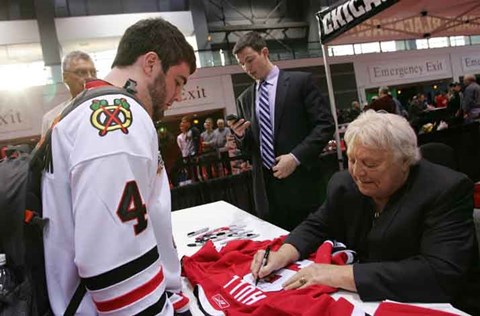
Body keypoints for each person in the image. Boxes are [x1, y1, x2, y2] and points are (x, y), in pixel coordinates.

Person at [250, 110, 479, 314]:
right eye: (351, 160)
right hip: (365, 301)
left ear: (405, 161)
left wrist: (338, 274)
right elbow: (317, 225)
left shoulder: (446, 190)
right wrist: (282, 254)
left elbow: (439, 274)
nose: (358, 173)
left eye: (370, 164)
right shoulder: (344, 183)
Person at [41, 18, 196, 315]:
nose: (179, 95)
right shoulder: (117, 121)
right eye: (178, 81)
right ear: (150, 63)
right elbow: (112, 262)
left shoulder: (85, 109)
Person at [230, 31, 334, 230]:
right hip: (266, 195)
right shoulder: (244, 98)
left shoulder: (300, 82)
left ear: (265, 52)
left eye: (250, 60)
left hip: (302, 185)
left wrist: (295, 157)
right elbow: (248, 151)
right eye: (242, 64)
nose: (246, 68)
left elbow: (325, 125)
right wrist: (240, 136)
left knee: (312, 247)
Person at [41, 51, 96, 137]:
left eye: (93, 73)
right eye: (81, 72)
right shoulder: (52, 118)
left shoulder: (108, 109)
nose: (90, 77)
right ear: (65, 77)